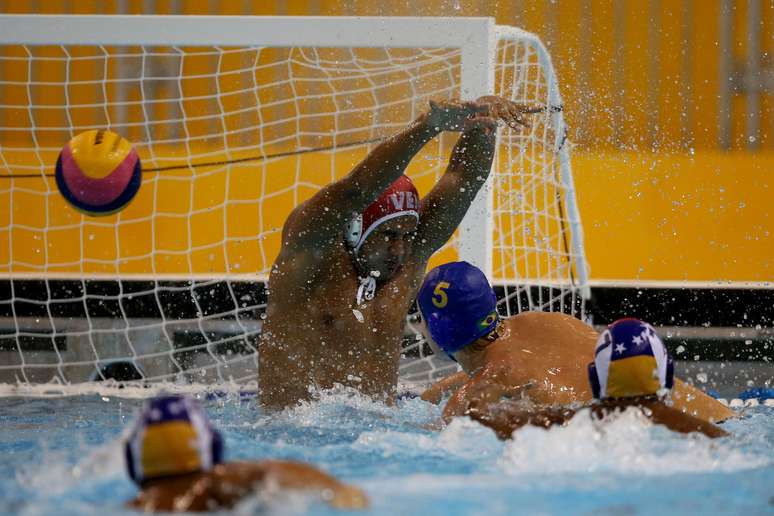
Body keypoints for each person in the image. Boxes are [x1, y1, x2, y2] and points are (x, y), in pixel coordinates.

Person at [259, 97, 540, 409]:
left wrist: (484, 123)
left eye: (407, 235)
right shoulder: (311, 260)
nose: (400, 248)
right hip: (291, 433)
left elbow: (464, 178)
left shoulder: (406, 261)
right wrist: (427, 127)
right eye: (388, 236)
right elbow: (355, 189)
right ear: (355, 229)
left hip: (377, 438)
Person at [416, 261, 736, 423]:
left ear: (440, 330)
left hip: (676, 444)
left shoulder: (472, 398)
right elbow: (519, 367)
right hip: (725, 420)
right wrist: (437, 390)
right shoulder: (543, 321)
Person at [465, 318, 728, 439]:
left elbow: (483, 422)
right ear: (668, 375)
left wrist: (482, 392)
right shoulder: (707, 432)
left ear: (594, 376)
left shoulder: (574, 422)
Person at [125, 395, 368, 512]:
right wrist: (338, 489)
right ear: (213, 446)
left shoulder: (138, 505)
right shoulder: (216, 483)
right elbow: (274, 471)